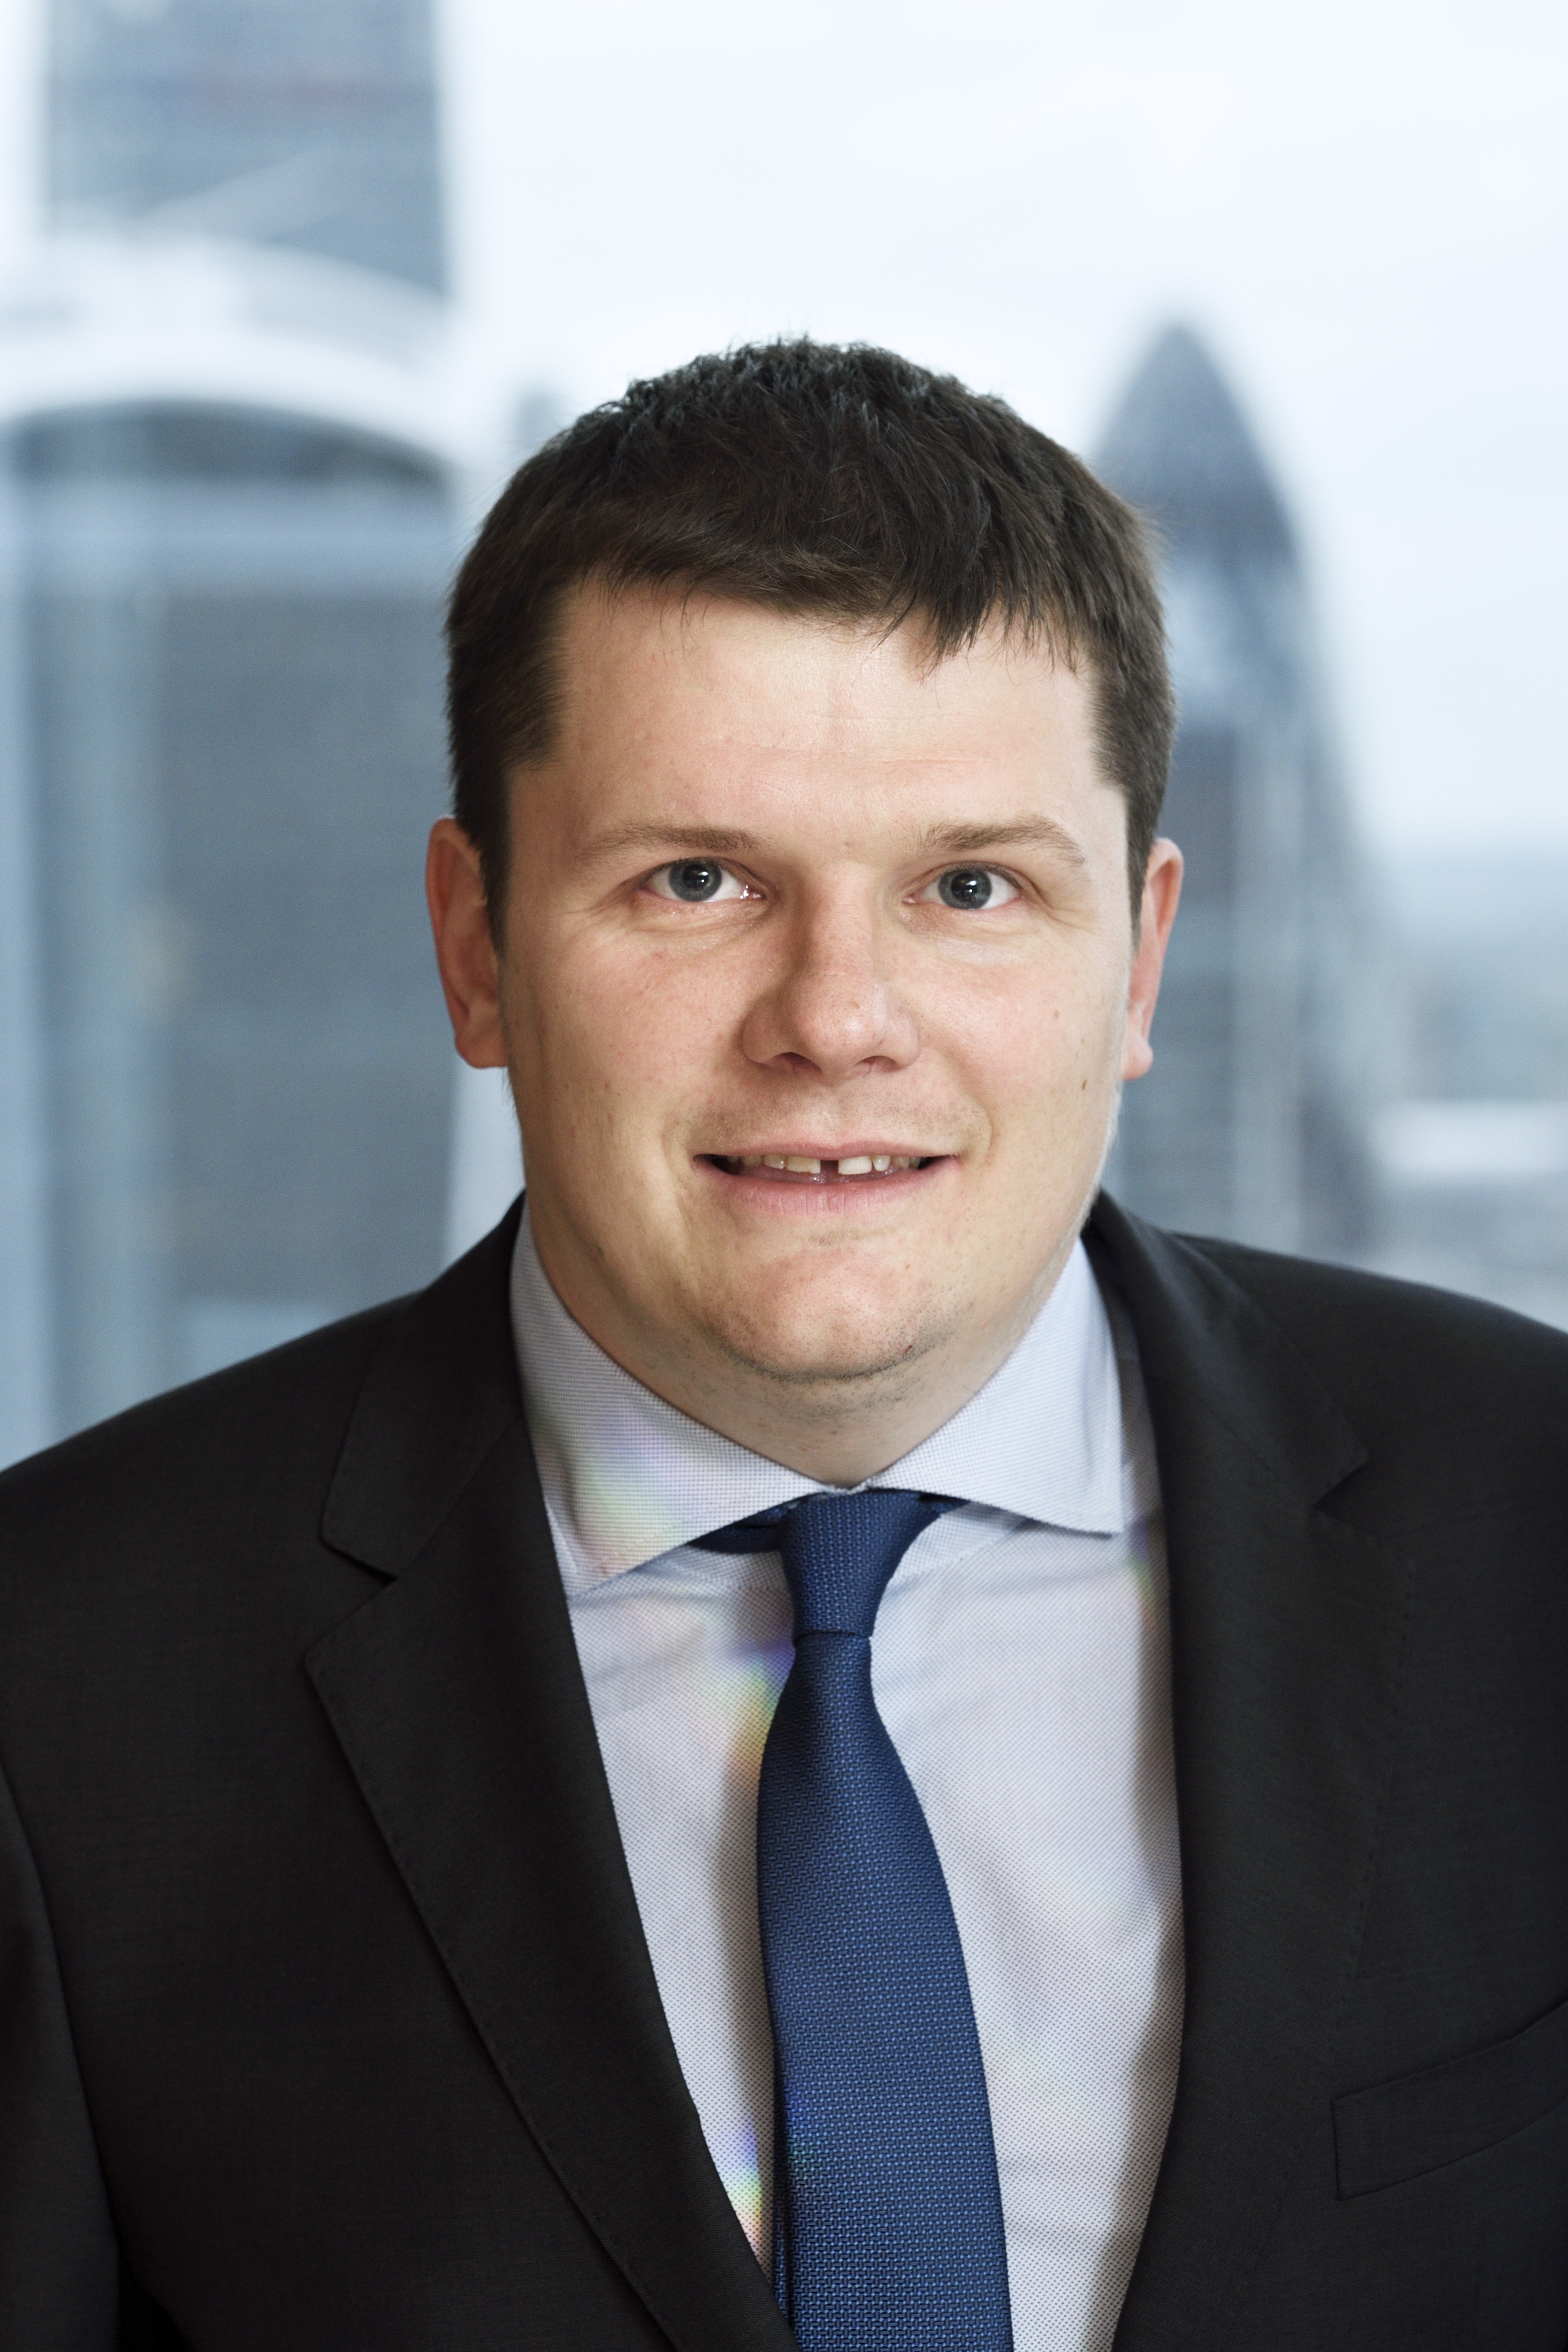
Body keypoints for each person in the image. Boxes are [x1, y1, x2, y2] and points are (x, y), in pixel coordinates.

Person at [1, 340, 1565, 2352]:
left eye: (971, 885)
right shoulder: (58, 1676)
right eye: (697, 880)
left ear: (1141, 955)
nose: (834, 1018)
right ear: (476, 945)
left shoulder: (1533, 1519)